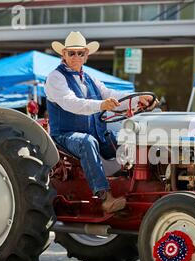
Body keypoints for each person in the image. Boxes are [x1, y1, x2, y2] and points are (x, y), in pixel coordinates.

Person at [45, 31, 156, 213]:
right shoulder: (55, 78)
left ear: (86, 56)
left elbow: (111, 95)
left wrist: (139, 99)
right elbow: (71, 103)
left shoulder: (89, 78)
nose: (76, 57)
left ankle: (141, 187)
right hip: (64, 136)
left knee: (128, 142)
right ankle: (105, 197)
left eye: (80, 53)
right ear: (63, 54)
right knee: (87, 142)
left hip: (97, 134)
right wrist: (101, 104)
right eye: (71, 53)